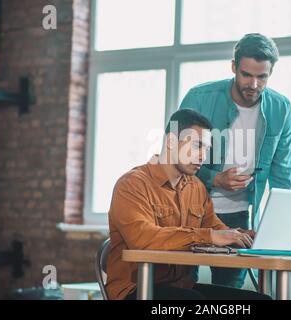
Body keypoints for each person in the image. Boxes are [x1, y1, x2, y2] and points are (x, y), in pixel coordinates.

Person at [106, 109, 271, 300]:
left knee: (260, 300)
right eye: (196, 146)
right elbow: (142, 238)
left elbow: (215, 228)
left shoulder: (196, 187)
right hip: (135, 289)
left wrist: (244, 236)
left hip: (181, 286)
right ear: (170, 142)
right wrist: (210, 236)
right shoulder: (132, 184)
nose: (203, 156)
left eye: (207, 149)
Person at [179, 33, 291, 288]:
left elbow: (282, 173)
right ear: (233, 67)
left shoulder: (281, 108)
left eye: (262, 76)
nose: (253, 84)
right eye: (246, 75)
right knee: (182, 288)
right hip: (189, 213)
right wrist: (215, 178)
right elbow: (174, 158)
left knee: (229, 293)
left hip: (239, 218)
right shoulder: (199, 97)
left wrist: (281, 229)